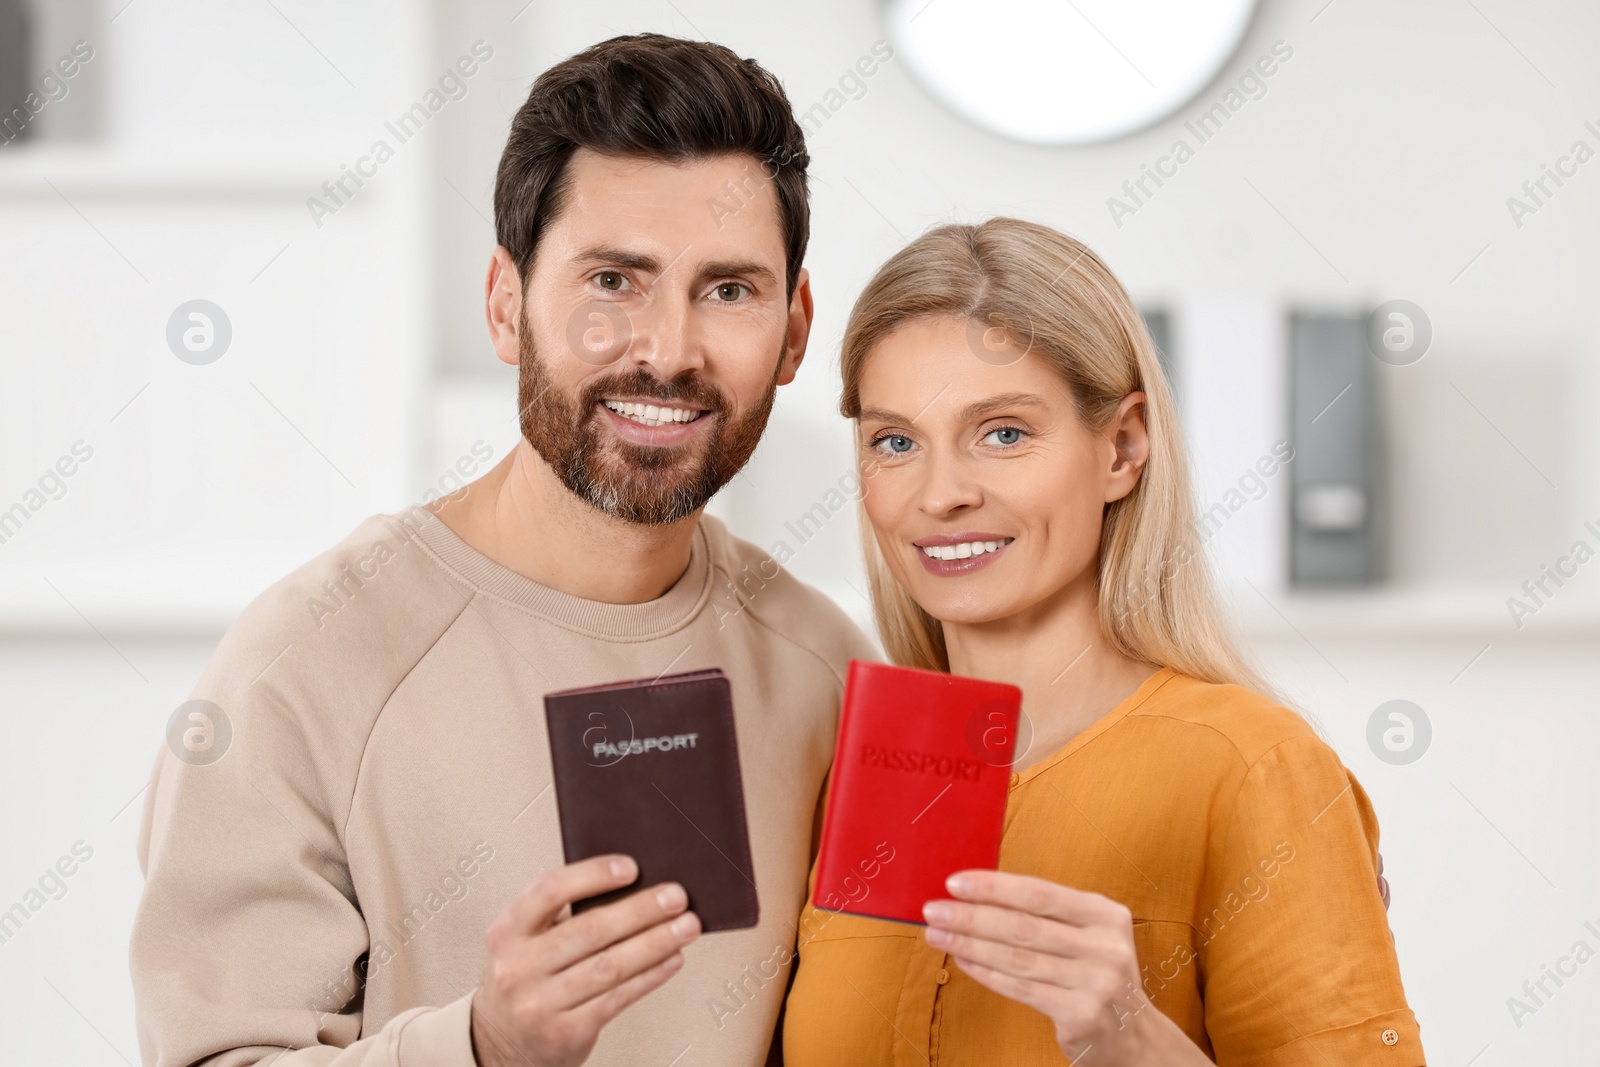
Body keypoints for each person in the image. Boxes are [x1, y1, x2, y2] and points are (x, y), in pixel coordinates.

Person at [130, 35, 876, 1067]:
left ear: (794, 331)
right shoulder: (304, 664)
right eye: (613, 279)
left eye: (728, 290)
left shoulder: (833, 669)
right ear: (504, 304)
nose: (665, 348)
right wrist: (482, 1045)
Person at [782, 218, 1425, 1065]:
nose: (940, 495)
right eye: (895, 442)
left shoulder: (1251, 769)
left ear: (1123, 447)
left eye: (1003, 432)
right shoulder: (839, 777)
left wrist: (1133, 1037)